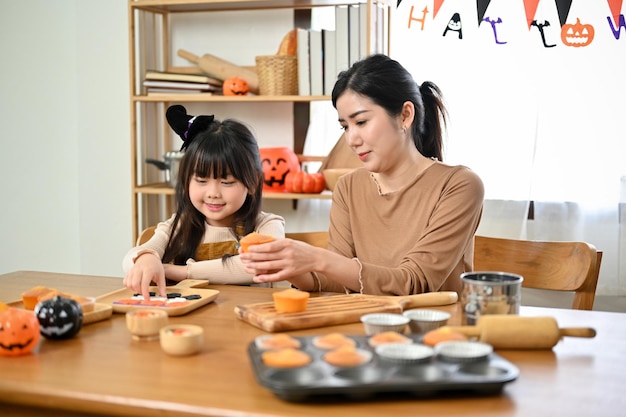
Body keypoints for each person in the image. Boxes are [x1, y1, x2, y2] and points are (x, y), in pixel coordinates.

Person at [240, 54, 484, 296]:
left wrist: (317, 258)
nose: (351, 140)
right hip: (364, 326)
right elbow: (337, 279)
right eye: (345, 126)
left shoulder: (459, 185)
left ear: (405, 115)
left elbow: (415, 282)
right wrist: (289, 266)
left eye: (362, 122)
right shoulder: (349, 187)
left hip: (435, 332)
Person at [123, 105, 285, 300]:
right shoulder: (179, 225)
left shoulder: (267, 225)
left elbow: (259, 266)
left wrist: (181, 272)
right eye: (201, 181)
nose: (213, 193)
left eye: (226, 182)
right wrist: (146, 258)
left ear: (253, 182)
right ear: (186, 181)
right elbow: (129, 260)